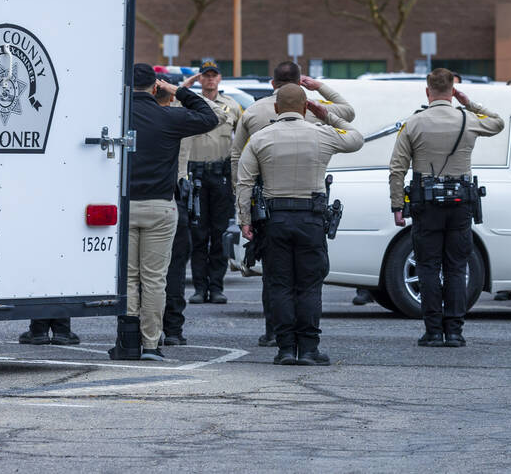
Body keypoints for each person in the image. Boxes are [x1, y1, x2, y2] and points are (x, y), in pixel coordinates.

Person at [236, 84, 364, 365]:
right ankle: (308, 348)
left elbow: (244, 182)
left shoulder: (259, 138)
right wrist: (328, 115)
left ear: (276, 108)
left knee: (279, 285)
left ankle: (284, 349)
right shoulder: (322, 134)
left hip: (274, 220)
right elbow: (356, 138)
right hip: (311, 218)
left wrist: (245, 221)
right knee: (309, 286)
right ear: (306, 108)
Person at [389, 68, 504, 347]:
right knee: (456, 266)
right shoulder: (467, 119)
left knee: (428, 266)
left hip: (425, 203)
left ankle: (433, 330)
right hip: (460, 203)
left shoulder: (413, 124)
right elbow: (498, 122)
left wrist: (397, 205)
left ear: (427, 92)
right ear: (453, 90)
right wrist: (469, 103)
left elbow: (397, 168)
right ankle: (454, 330)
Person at [127, 64, 219, 361]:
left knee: (128, 278)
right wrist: (177, 90)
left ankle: (126, 341)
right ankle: (151, 343)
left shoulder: (116, 117)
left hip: (125, 204)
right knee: (154, 279)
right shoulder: (168, 117)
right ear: (156, 88)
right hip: (160, 205)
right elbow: (209, 116)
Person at [178, 60, 243, 305]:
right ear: (200, 79)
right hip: (195, 176)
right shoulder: (188, 102)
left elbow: (243, 136)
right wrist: (189, 83)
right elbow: (170, 101)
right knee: (197, 234)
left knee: (218, 234)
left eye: (213, 76)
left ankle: (216, 287)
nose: (209, 80)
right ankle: (198, 287)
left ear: (220, 79)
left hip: (220, 175)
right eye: (205, 76)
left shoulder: (231, 106)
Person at [158, 75, 193, 346]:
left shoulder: (137, 117)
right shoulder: (182, 119)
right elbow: (214, 113)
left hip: (145, 198)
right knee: (175, 271)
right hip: (174, 199)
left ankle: (144, 329)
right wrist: (180, 91)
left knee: (142, 274)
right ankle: (173, 329)